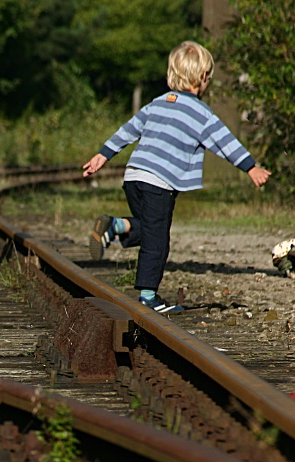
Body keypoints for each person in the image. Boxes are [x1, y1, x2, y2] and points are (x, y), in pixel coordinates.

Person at [83, 40, 271, 314]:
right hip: (159, 183)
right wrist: (250, 167)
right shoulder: (201, 113)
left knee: (150, 230)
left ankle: (117, 226)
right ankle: (148, 297)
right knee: (158, 241)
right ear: (203, 78)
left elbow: (128, 130)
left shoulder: (158, 103)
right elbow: (225, 142)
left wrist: (103, 155)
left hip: (133, 177)